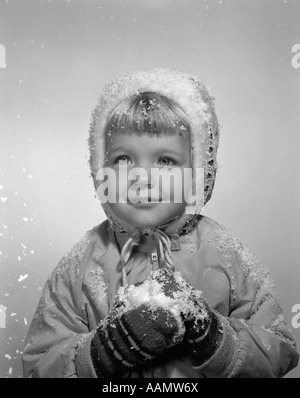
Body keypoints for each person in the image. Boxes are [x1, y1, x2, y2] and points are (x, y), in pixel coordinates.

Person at [22, 68, 299, 378]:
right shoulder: (80, 269)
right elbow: (38, 365)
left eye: (165, 161)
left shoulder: (227, 256)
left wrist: (210, 335)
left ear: (197, 171)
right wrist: (106, 351)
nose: (142, 178)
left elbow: (278, 350)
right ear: (100, 168)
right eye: (123, 160)